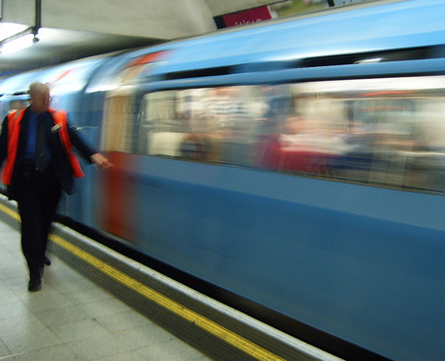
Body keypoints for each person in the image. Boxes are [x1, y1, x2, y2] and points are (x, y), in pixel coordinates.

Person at [0, 82, 112, 292]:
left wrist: (93, 155)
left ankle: (40, 253)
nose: (47, 102)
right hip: (26, 180)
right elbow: (1, 148)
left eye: (49, 98)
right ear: (31, 99)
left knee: (46, 223)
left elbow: (75, 138)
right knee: (31, 226)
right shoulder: (14, 120)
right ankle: (34, 273)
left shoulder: (58, 118)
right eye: (43, 98)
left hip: (52, 179)